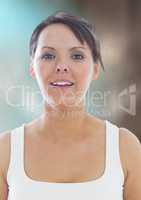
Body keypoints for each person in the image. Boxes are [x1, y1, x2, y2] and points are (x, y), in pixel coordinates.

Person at [0, 10, 141, 200]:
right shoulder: (5, 150)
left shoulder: (125, 147)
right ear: (32, 67)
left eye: (77, 56)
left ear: (96, 68)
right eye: (48, 56)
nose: (61, 66)